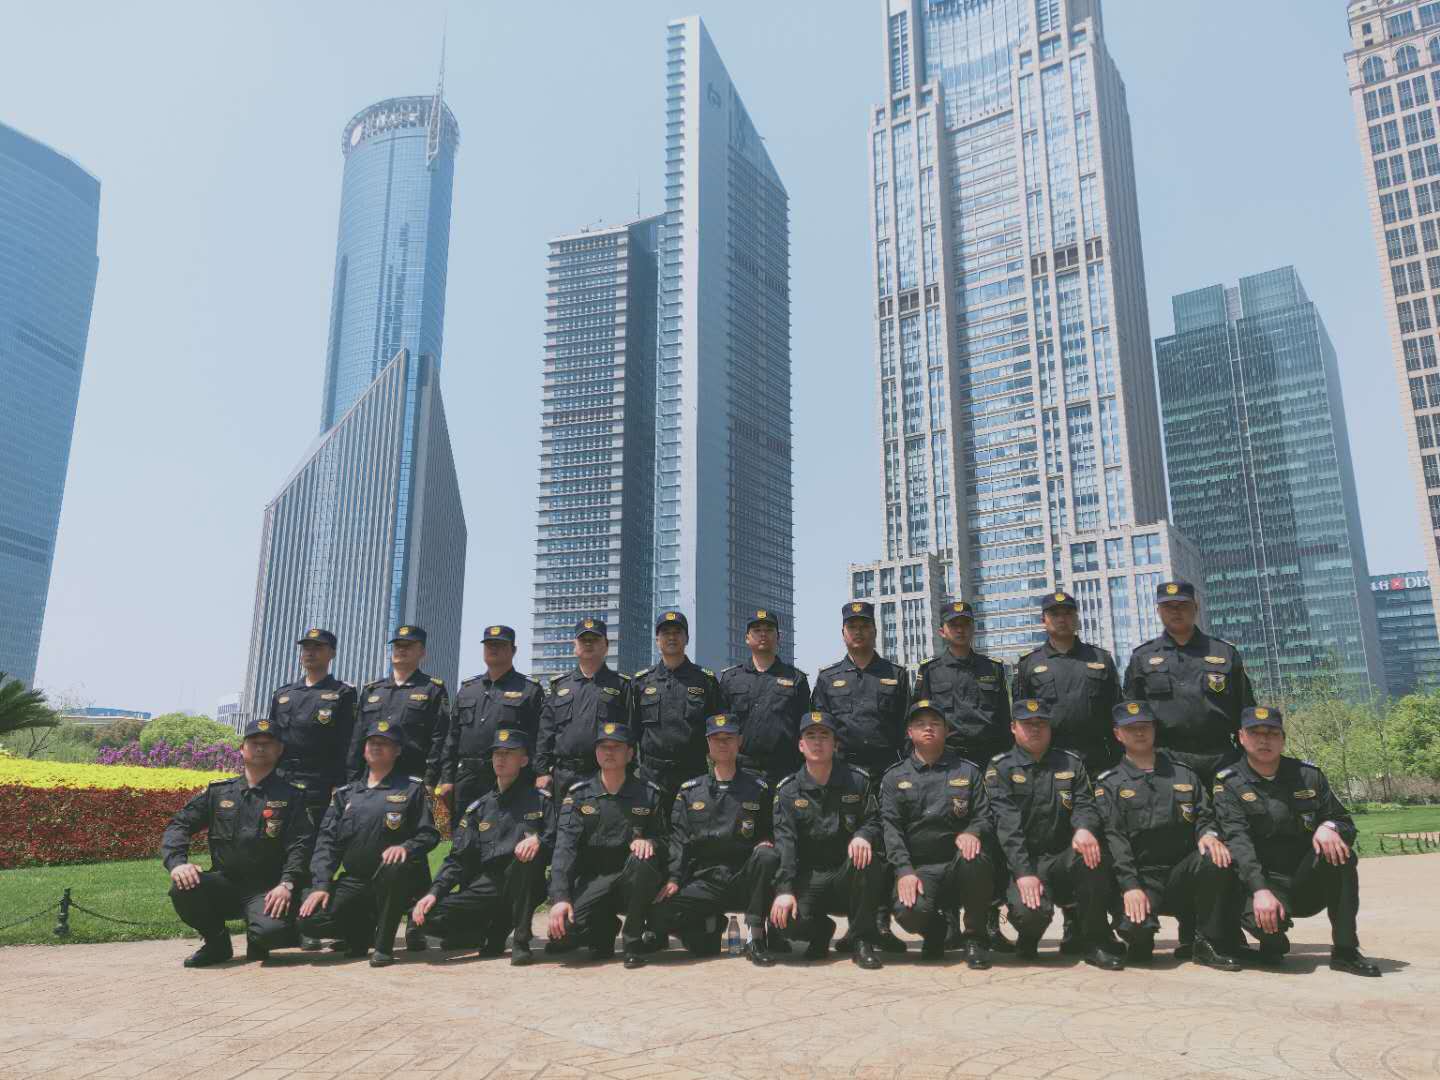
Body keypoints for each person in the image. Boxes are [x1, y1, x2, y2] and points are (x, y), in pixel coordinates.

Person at [1212, 706, 1381, 977]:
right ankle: (1270, 941)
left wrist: (1329, 827)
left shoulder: (1308, 775)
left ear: (1283, 738)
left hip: (1305, 880)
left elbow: (1345, 823)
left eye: (1272, 733)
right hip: (1262, 882)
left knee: (1342, 855)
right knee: (1273, 938)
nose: (1264, 740)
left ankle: (1346, 951)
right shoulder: (1229, 782)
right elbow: (1238, 842)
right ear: (1241, 737)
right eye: (1255, 733)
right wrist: (1260, 890)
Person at [1094, 701, 1242, 970]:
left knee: (1215, 855)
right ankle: (1140, 938)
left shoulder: (1183, 774)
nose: (1140, 732)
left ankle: (1206, 941)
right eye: (1131, 728)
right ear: (1118, 734)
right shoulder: (1109, 783)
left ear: (1155, 730)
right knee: (1138, 936)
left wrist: (1208, 834)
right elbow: (1115, 839)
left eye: (1145, 726)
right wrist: (1130, 886)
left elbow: (1205, 815)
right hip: (1140, 876)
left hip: (1179, 874)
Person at [161, 717, 313, 967]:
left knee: (271, 934)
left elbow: (301, 844)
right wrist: (178, 863)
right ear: (242, 749)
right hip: (226, 884)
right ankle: (217, 944)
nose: (260, 747)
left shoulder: (292, 795)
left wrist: (287, 883)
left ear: (279, 750)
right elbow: (179, 825)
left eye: (268, 743)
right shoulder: (219, 792)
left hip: (268, 888)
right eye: (254, 742)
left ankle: (264, 932)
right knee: (183, 888)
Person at [986, 699, 1121, 969]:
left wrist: (1084, 829)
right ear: (1013, 728)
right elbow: (1007, 826)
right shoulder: (1000, 768)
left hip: (1061, 858)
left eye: (1041, 723)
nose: (1035, 729)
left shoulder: (1070, 763)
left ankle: (1095, 941)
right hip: (1023, 861)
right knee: (1030, 915)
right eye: (1027, 724)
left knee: (1092, 855)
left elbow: (1085, 804)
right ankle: (1028, 935)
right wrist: (1024, 872)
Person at [296, 717, 439, 966]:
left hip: (398, 881)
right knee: (310, 920)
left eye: (384, 743)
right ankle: (360, 933)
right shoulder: (345, 795)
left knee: (394, 868)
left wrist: (406, 847)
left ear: (397, 751)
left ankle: (383, 946)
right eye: (372, 742)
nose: (376, 746)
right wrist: (321, 884)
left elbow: (429, 834)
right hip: (356, 881)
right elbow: (327, 843)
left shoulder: (411, 789)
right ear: (363, 749)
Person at [811, 600, 909, 953]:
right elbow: (819, 729)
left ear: (875, 630)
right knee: (848, 846)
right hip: (844, 777)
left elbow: (906, 729)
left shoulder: (896, 675)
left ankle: (880, 923)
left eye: (865, 625)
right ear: (843, 633)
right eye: (852, 626)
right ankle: (856, 925)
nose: (859, 631)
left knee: (882, 846)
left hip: (885, 774)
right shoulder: (828, 677)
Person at [413, 728, 555, 966]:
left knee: (524, 864)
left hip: (526, 880)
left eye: (509, 753)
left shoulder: (540, 800)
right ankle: (483, 930)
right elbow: (458, 859)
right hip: (489, 884)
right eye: (497, 753)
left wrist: (539, 840)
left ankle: (520, 940)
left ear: (524, 760)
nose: (501, 758)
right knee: (425, 916)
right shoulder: (479, 808)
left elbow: (558, 839)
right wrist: (433, 893)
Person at [653, 713, 780, 966]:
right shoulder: (690, 791)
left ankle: (756, 937)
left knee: (767, 855)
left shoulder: (759, 789)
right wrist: (674, 878)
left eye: (729, 738)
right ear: (708, 743)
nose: (723, 744)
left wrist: (767, 841)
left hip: (743, 877)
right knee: (658, 915)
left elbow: (771, 829)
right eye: (716, 738)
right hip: (706, 878)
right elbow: (679, 839)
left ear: (739, 742)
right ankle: (708, 927)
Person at [880, 700, 995, 969]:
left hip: (958, 864)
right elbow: (891, 829)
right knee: (908, 911)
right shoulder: (894, 777)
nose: (928, 728)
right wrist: (904, 870)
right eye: (920, 724)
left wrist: (973, 832)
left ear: (947, 731)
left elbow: (984, 816)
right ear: (909, 732)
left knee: (976, 859)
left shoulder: (967, 771)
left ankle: (974, 939)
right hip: (920, 869)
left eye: (935, 723)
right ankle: (935, 931)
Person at [769, 711, 888, 970]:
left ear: (835, 744)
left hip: (846, 874)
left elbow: (874, 820)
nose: (817, 742)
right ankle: (821, 931)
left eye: (824, 736)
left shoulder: (857, 780)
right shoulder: (788, 790)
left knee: (867, 859)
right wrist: (784, 890)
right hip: (810, 878)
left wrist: (863, 835)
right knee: (785, 920)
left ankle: (861, 941)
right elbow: (785, 843)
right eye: (810, 736)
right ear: (801, 745)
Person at [547, 722, 669, 968]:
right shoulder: (579, 795)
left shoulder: (648, 793)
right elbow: (564, 848)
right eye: (603, 747)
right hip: (594, 878)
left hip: (631, 879)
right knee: (563, 933)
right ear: (596, 752)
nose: (609, 752)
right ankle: (603, 928)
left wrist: (650, 842)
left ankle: (632, 942)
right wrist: (560, 897)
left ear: (630, 754)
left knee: (643, 860)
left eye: (616, 747)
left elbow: (666, 840)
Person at [1124, 580, 1255, 784]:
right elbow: (1130, 714)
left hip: (1220, 757)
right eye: (1168, 606)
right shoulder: (1142, 657)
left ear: (1196, 607)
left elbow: (1246, 710)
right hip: (1165, 759)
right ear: (1158, 611)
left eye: (1182, 605)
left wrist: (1248, 758)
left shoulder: (1224, 653)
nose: (1176, 611)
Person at [1011, 591, 1120, 774]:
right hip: (1048, 761)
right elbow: (1020, 718)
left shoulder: (1101, 659)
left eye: (1068, 613)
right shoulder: (1029, 664)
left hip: (1098, 759)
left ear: (1076, 618)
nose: (1062, 619)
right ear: (1043, 620)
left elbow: (1117, 712)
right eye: (1055, 614)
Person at [440, 624, 544, 815]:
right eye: (489, 645)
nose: (493, 649)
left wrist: (540, 773)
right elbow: (452, 738)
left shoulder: (529, 690)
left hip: (511, 777)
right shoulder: (468, 689)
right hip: (467, 777)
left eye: (500, 645)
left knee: (507, 829)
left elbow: (539, 738)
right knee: (463, 830)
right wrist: (446, 778)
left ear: (513, 650)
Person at [266, 628, 358, 829]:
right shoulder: (284, 694)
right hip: (283, 779)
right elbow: (270, 740)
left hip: (320, 782)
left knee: (315, 838)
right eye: (306, 648)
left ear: (332, 653)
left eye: (318, 647)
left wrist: (342, 784)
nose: (310, 652)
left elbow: (348, 742)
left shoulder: (343, 693)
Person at [631, 611, 726, 795]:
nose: (672, 637)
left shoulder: (705, 681)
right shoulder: (641, 682)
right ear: (657, 640)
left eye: (677, 632)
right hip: (651, 775)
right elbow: (632, 731)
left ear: (687, 638)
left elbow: (717, 731)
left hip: (694, 773)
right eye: (666, 633)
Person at [536, 618, 631, 796]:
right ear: (575, 645)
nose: (588, 644)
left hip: (604, 775)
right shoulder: (560, 685)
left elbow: (631, 733)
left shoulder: (622, 686)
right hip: (563, 776)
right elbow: (545, 732)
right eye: (583, 640)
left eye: (594, 639)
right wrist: (542, 772)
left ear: (606, 646)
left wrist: (629, 773)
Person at [719, 608, 810, 785]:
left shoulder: (796, 679)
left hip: (785, 771)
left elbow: (804, 728)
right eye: (757, 630)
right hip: (740, 771)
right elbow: (721, 728)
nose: (763, 634)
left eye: (769, 630)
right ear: (747, 638)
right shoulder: (731, 678)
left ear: (778, 637)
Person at [914, 601, 1011, 767]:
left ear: (973, 628)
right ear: (942, 632)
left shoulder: (993, 668)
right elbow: (920, 717)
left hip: (990, 756)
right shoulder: (930, 669)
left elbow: (1004, 718)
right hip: (946, 758)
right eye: (953, 625)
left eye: (965, 624)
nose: (960, 630)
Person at [353, 625, 451, 789]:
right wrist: (352, 781)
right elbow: (357, 740)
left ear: (422, 652)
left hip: (412, 778)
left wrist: (430, 781)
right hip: (371, 779)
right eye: (398, 645)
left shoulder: (432, 689)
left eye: (408, 646)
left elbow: (440, 740)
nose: (401, 650)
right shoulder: (372, 690)